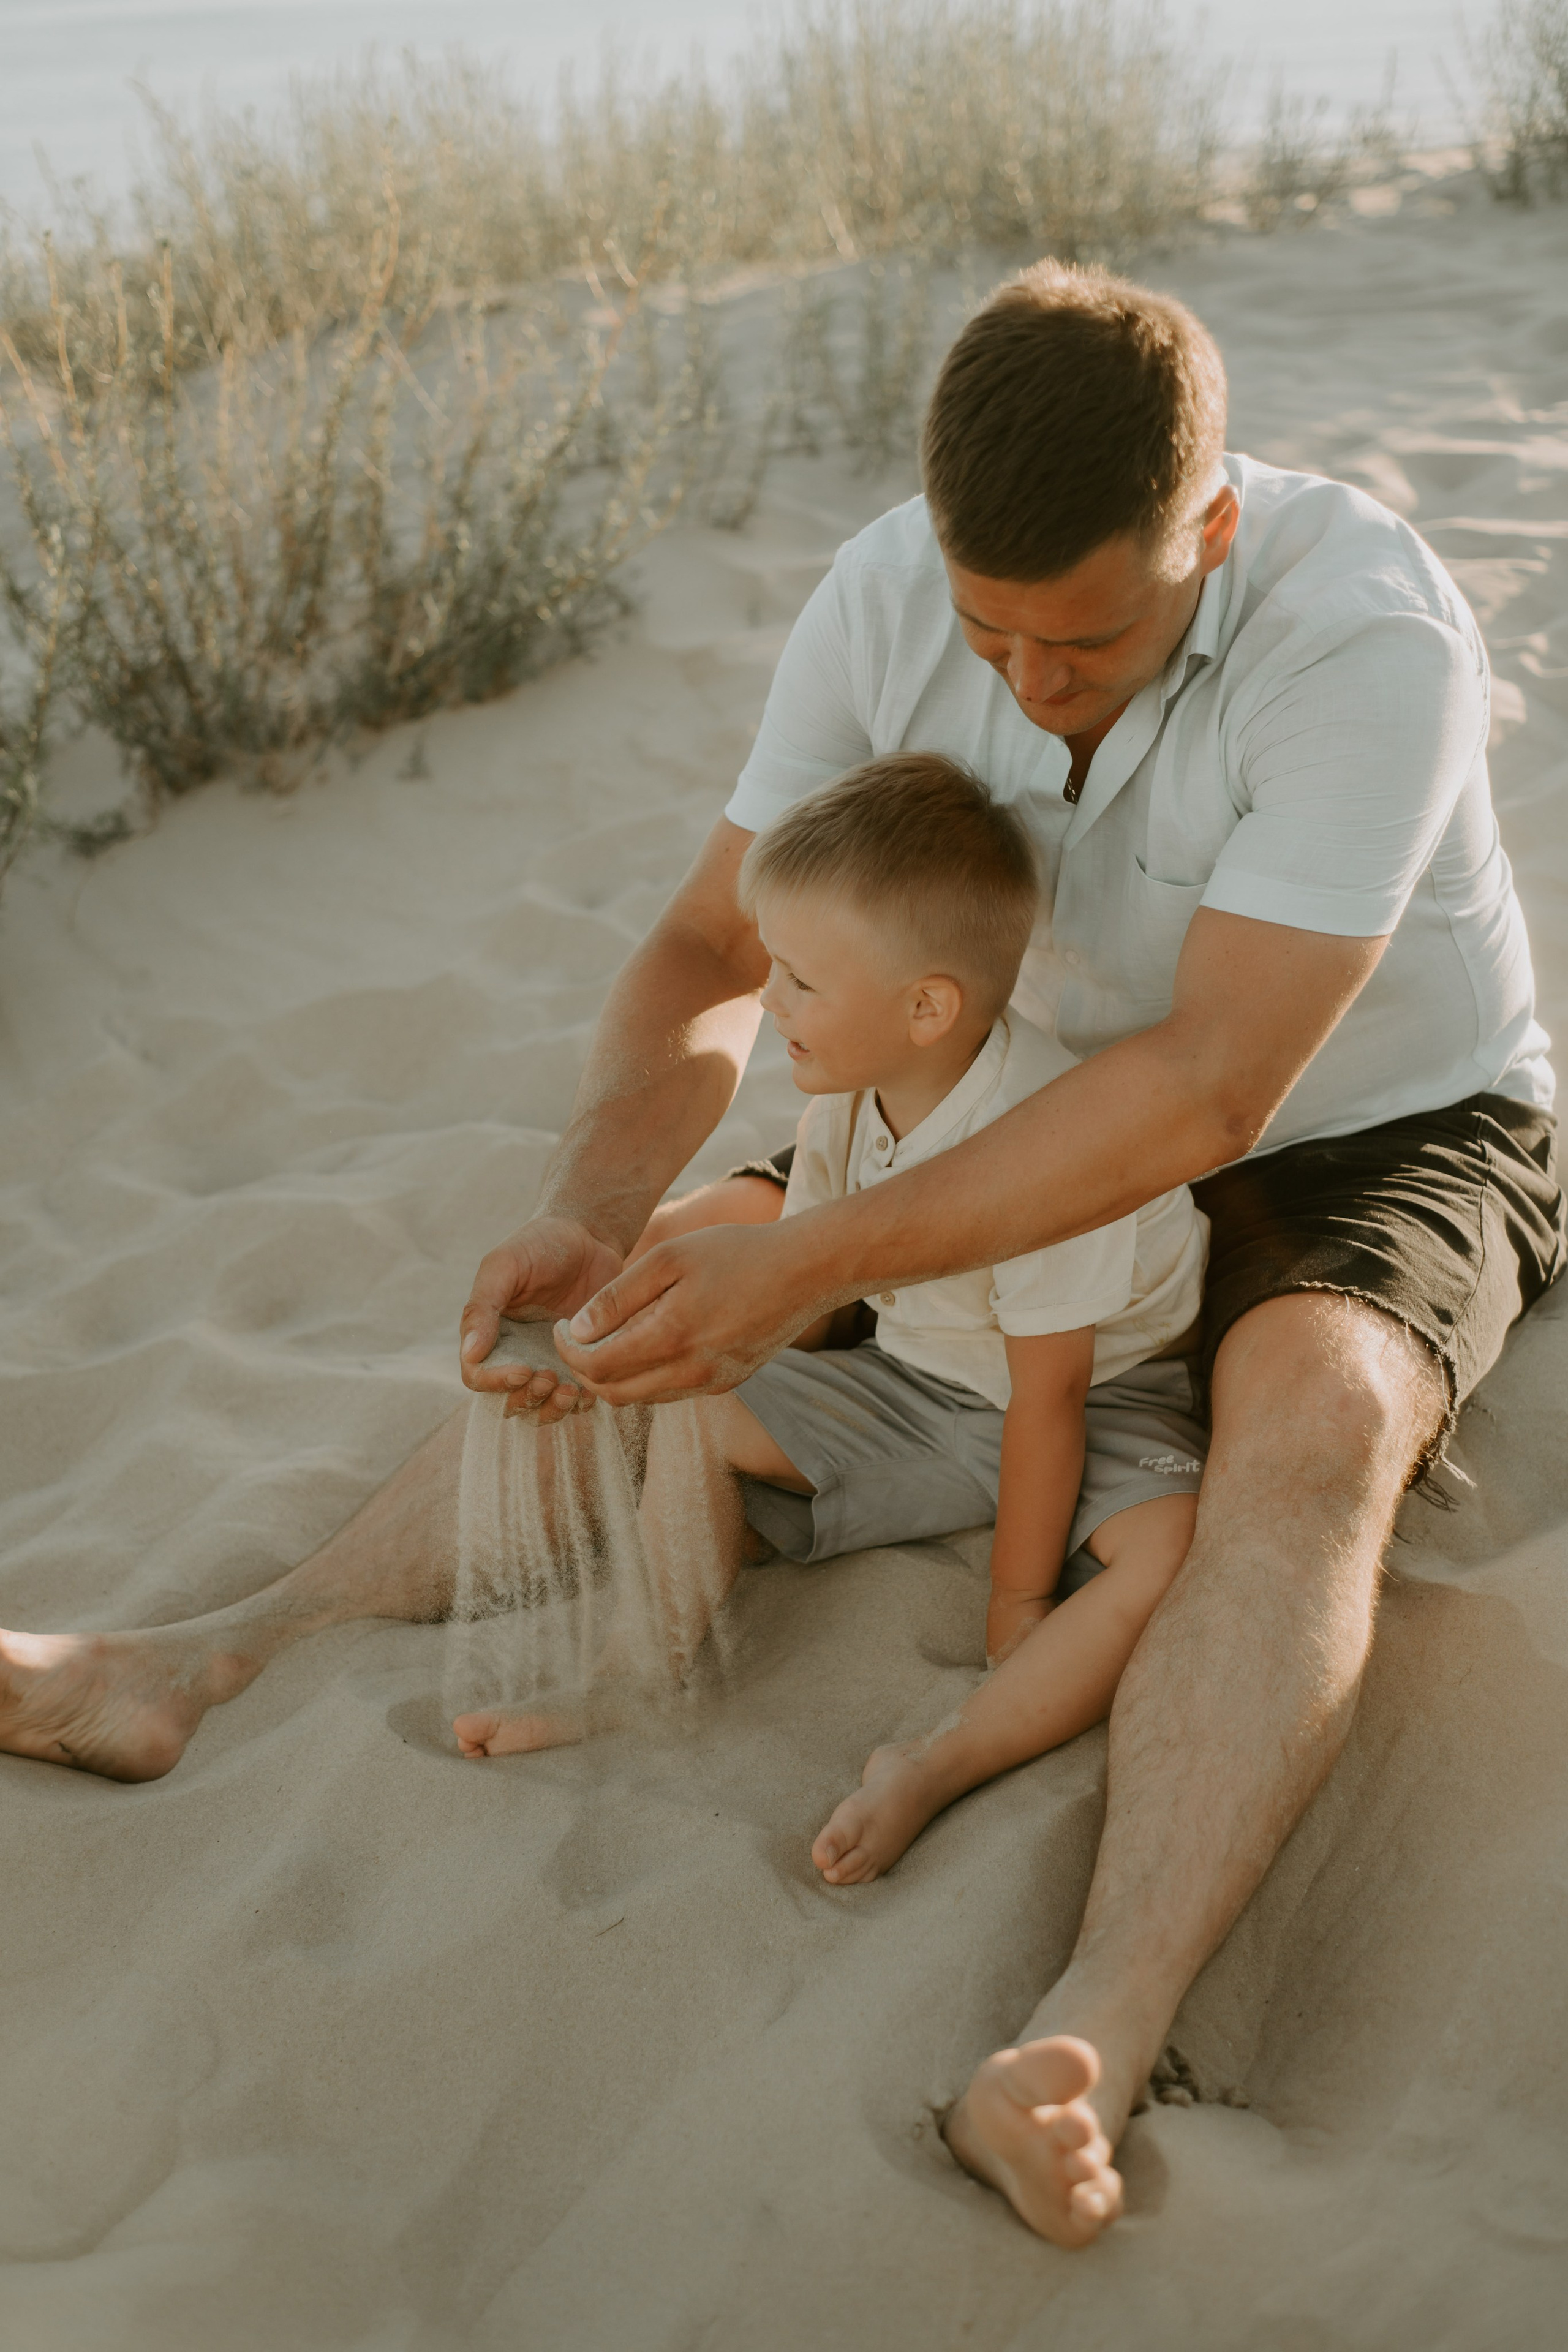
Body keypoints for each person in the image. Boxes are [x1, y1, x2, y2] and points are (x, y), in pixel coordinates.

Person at [2, 260, 1563, 2252]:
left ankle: (1086, 2032)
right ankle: (196, 1657)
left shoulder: (1367, 632)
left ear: (1216, 530)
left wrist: (822, 1242)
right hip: (987, 1076)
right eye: (988, 630)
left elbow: (1212, 1091)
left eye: (1086, 638)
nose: (1027, 684)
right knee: (657, 1271)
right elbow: (707, 952)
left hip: (1368, 1129)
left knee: (1320, 1423)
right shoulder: (888, 594)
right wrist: (596, 1202)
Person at [457, 753, 1212, 1895]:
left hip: (1098, 1393)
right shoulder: (846, 1097)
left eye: (803, 982)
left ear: (927, 1008)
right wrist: (634, 1373)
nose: (769, 1003)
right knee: (699, 1415)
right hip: (926, 1381)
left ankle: (944, 1756)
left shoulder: (1049, 1141)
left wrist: (1015, 1605)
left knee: (1169, 1557)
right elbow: (804, 1297)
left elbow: (1050, 1398)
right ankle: (638, 1668)